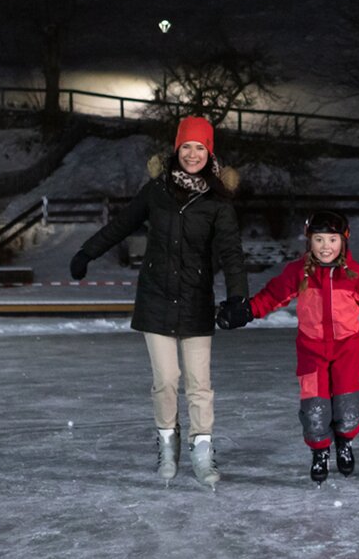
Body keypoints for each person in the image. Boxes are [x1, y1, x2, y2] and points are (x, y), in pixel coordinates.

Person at [70, 116, 247, 487]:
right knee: (166, 380)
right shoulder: (156, 192)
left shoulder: (218, 201)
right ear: (176, 150)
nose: (193, 154)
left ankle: (202, 450)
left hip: (196, 300)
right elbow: (121, 225)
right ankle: (168, 443)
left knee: (200, 383)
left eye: (200, 147)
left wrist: (237, 297)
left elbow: (231, 252)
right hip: (155, 299)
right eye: (187, 147)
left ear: (209, 152)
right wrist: (86, 252)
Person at [218, 210, 359, 485]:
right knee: (315, 407)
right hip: (311, 350)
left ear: (343, 242)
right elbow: (271, 297)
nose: (326, 246)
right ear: (309, 242)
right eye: (319, 239)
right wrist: (245, 312)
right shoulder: (299, 272)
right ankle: (320, 451)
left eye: (332, 239)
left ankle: (344, 443)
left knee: (347, 407)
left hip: (346, 348)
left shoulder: (356, 275)